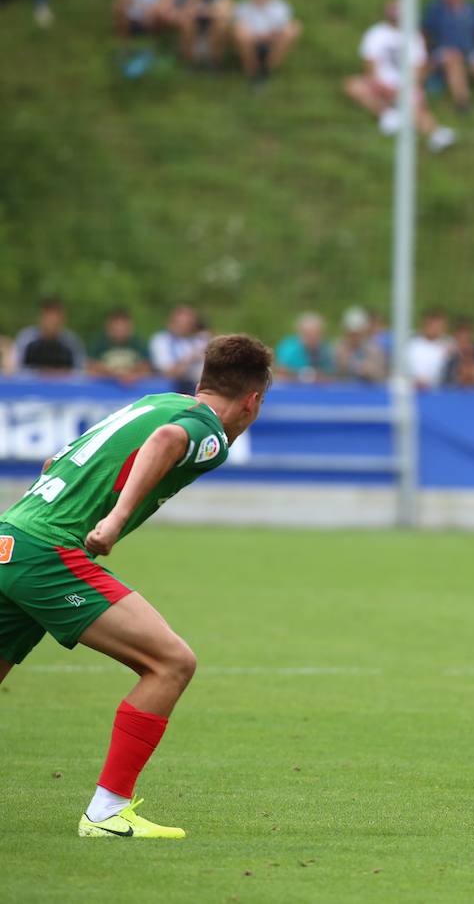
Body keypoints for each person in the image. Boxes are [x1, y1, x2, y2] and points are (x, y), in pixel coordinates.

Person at [0, 334, 272, 839]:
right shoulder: (208, 431)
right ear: (252, 401)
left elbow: (52, 463)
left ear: (200, 382)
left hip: (10, 536)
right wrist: (114, 520)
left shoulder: (157, 400)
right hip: (48, 551)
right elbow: (167, 441)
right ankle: (106, 812)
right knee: (171, 663)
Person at [345, 0, 457, 153]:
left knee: (415, 107)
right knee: (353, 85)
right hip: (379, 84)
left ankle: (435, 133)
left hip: (405, 86)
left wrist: (408, 86)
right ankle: (387, 115)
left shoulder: (414, 36)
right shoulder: (376, 33)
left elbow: (419, 68)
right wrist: (379, 84)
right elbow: (369, 65)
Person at [232, 0, 300, 84]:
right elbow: (240, 28)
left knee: (293, 28)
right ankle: (252, 69)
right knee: (239, 32)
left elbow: (285, 28)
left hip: (272, 42)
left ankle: (266, 69)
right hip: (251, 42)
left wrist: (269, 36)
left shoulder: (281, 7)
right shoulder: (243, 7)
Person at [12, 299, 86, 375]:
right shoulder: (26, 339)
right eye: (49, 316)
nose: (52, 320)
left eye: (56, 316)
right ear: (40, 317)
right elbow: (14, 368)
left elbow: (80, 372)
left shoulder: (72, 342)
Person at [150, 305, 208, 394]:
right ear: (172, 323)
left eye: (190, 324)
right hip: (175, 388)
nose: (188, 327)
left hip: (200, 385)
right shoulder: (162, 341)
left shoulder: (198, 339)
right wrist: (190, 358)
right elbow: (168, 373)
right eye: (184, 323)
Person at [169, 0, 232, 66]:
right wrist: (187, 12)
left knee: (222, 24)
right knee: (186, 22)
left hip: (211, 31)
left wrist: (203, 10)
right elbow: (171, 14)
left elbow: (225, 13)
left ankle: (215, 62)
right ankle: (189, 62)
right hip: (189, 32)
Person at [88, 308, 153, 384]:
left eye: (123, 325)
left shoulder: (138, 344)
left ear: (130, 326)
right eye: (116, 325)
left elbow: (147, 367)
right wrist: (115, 374)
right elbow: (90, 367)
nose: (120, 329)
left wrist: (133, 375)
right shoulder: (99, 344)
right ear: (108, 326)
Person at [333, 306, 388, 383]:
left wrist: (370, 371)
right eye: (351, 333)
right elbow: (331, 375)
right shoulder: (338, 348)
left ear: (363, 331)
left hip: (368, 392)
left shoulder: (374, 349)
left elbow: (382, 375)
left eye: (357, 333)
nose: (354, 337)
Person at [275, 311, 333, 382]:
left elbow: (331, 374)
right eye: (308, 334)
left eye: (316, 334)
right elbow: (281, 372)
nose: (312, 338)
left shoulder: (326, 350)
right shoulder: (288, 348)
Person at [408, 308, 452, 389]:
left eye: (440, 326)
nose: (436, 329)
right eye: (433, 325)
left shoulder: (448, 345)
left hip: (437, 390)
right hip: (411, 387)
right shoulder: (412, 344)